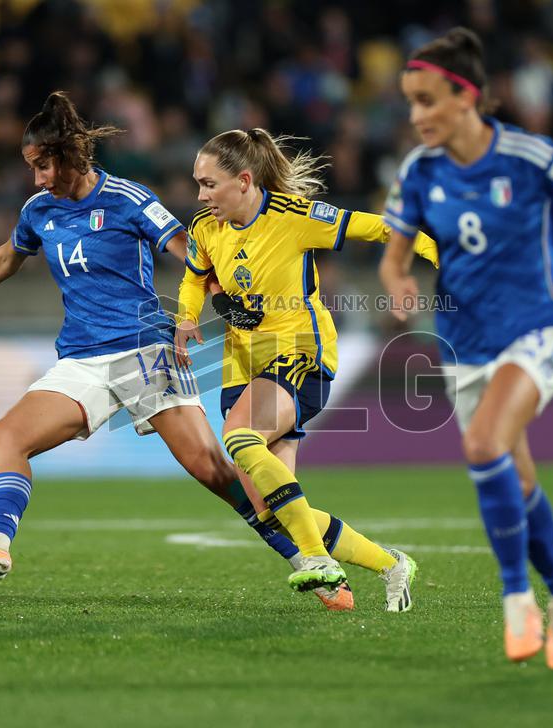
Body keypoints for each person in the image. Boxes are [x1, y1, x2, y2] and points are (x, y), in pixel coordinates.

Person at [0, 92, 361, 610]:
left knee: (215, 472)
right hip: (81, 360)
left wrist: (217, 295)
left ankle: (311, 562)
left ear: (69, 157)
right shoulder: (39, 210)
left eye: (43, 166)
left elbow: (185, 248)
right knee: (5, 439)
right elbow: (7, 257)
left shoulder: (126, 198)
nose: (37, 179)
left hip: (144, 353)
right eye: (31, 168)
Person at [379, 29, 553, 669]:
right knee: (515, 477)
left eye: (426, 100)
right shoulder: (418, 172)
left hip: (539, 328)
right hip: (466, 345)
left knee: (480, 446)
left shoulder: (531, 157)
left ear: (466, 96)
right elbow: (393, 263)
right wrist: (400, 288)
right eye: (410, 103)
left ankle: (516, 599)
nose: (415, 116)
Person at [175, 128, 439, 610]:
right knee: (271, 511)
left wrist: (430, 251)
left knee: (238, 435)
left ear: (244, 180)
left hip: (299, 352)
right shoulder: (204, 229)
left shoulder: (293, 217)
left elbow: (375, 226)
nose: (200, 194)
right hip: (242, 365)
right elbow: (194, 278)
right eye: (198, 183)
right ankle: (390, 563)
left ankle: (318, 559)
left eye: (209, 184)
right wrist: (187, 318)